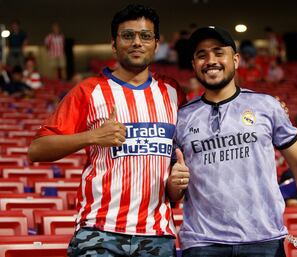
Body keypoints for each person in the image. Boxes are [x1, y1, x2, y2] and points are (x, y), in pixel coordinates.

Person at [28, 4, 185, 257]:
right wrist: (92, 136)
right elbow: (36, 150)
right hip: (99, 231)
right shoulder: (89, 90)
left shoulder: (173, 91)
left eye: (145, 36)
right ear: (113, 44)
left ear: (156, 44)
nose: (137, 42)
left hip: (157, 233)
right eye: (128, 35)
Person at [167, 26, 297, 257]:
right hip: (202, 243)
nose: (211, 60)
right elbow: (174, 194)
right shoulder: (181, 118)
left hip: (263, 239)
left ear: (236, 59)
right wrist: (175, 184)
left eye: (218, 52)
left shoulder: (266, 106)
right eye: (202, 55)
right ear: (193, 64)